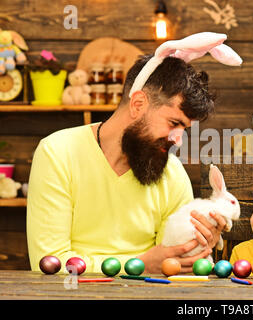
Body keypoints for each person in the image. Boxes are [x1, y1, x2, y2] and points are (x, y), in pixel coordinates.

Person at [26, 53, 230, 274]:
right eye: (173, 123)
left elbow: (172, 260)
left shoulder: (172, 173)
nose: (178, 140)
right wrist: (141, 265)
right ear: (138, 104)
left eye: (184, 129)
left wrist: (197, 245)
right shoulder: (57, 152)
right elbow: (48, 263)